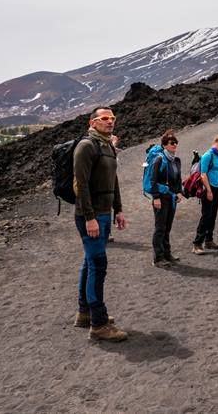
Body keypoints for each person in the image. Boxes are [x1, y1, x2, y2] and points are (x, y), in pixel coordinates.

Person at [73, 106, 128, 342]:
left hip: (105, 213)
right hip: (91, 215)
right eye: (105, 118)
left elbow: (112, 180)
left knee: (89, 263)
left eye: (112, 118)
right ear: (93, 122)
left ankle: (84, 313)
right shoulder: (87, 146)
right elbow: (82, 186)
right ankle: (99, 324)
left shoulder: (106, 146)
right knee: (98, 266)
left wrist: (119, 209)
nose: (110, 122)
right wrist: (89, 217)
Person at [150, 130, 184, 268]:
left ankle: (167, 254)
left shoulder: (176, 160)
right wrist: (156, 198)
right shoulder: (159, 159)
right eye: (172, 143)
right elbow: (153, 180)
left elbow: (177, 178)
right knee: (160, 227)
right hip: (161, 197)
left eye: (176, 142)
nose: (175, 144)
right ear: (164, 145)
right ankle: (158, 258)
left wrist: (179, 192)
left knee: (167, 227)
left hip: (171, 197)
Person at [192, 134, 218, 254]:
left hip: (216, 187)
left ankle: (209, 240)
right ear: (215, 142)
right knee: (206, 215)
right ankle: (197, 244)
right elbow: (203, 174)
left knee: (213, 215)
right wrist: (209, 190)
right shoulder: (208, 155)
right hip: (208, 187)